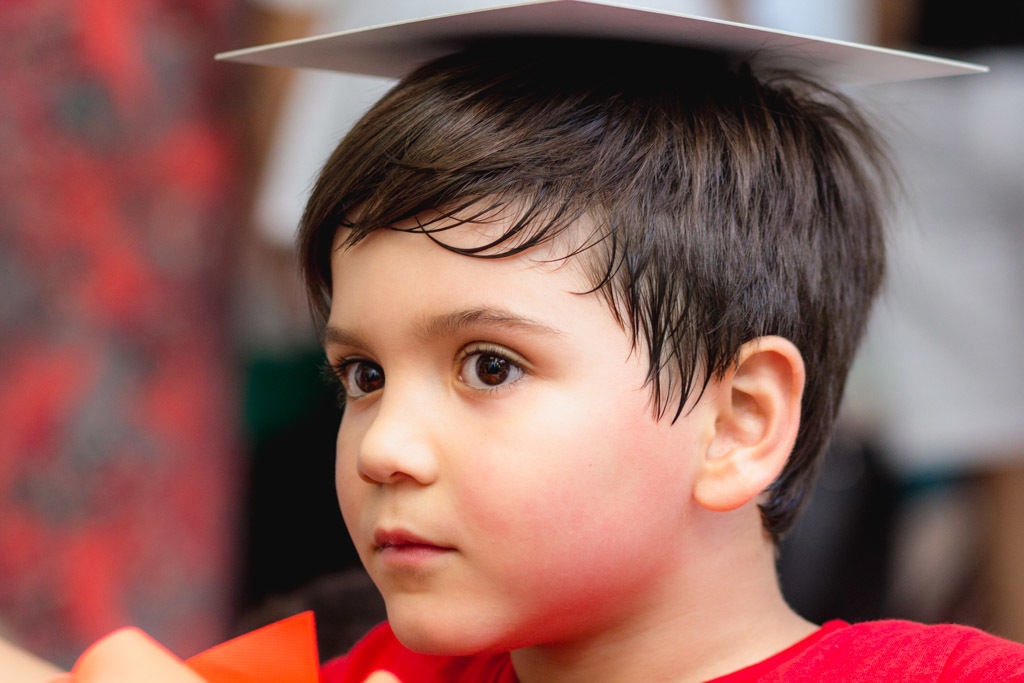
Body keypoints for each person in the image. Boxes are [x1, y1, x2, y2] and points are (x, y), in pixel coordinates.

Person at [44, 2, 1024, 681]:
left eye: (489, 365)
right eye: (363, 373)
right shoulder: (383, 665)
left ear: (738, 418)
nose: (384, 446)